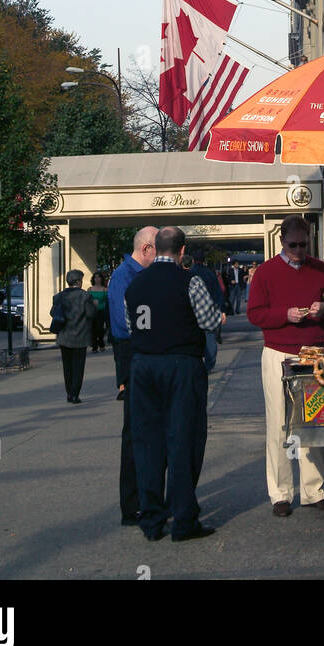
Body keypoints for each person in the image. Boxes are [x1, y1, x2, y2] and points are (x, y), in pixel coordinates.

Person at [125, 225, 223, 542]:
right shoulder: (189, 281)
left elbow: (130, 327)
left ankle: (152, 519)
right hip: (181, 364)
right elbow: (208, 322)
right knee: (183, 439)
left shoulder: (136, 284)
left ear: (155, 248)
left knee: (147, 442)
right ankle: (183, 518)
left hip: (142, 365)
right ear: (182, 251)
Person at [246, 215, 324, 517]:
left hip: (315, 353)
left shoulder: (321, 269)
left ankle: (314, 490)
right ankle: (280, 493)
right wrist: (285, 315)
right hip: (278, 352)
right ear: (282, 242)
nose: (299, 250)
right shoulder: (265, 273)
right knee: (278, 423)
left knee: (314, 424)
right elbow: (254, 313)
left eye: (303, 245)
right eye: (293, 245)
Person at [108, 226, 157, 526]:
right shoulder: (126, 276)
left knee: (143, 430)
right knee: (135, 432)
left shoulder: (131, 274)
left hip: (135, 351)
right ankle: (132, 504)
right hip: (132, 352)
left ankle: (143, 499)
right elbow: (124, 325)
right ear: (147, 249)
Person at [51, 270, 97, 404]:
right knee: (78, 367)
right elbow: (90, 314)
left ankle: (69, 393)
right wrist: (93, 306)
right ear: (78, 281)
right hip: (80, 336)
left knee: (67, 367)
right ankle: (75, 394)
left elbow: (53, 312)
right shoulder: (85, 296)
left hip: (64, 336)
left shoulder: (59, 296)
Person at [189, 245, 226, 372]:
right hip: (210, 310)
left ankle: (197, 362)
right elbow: (218, 292)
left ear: (193, 260)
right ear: (204, 260)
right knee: (210, 337)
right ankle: (209, 364)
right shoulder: (210, 273)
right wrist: (221, 310)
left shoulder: (189, 273)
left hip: (193, 311)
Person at [89, 271, 108, 352]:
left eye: (99, 277)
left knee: (99, 329)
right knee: (92, 329)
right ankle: (94, 346)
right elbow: (86, 300)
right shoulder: (90, 289)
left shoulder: (104, 289)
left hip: (101, 311)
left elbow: (108, 301)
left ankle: (101, 344)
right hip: (92, 311)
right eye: (95, 277)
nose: (97, 279)